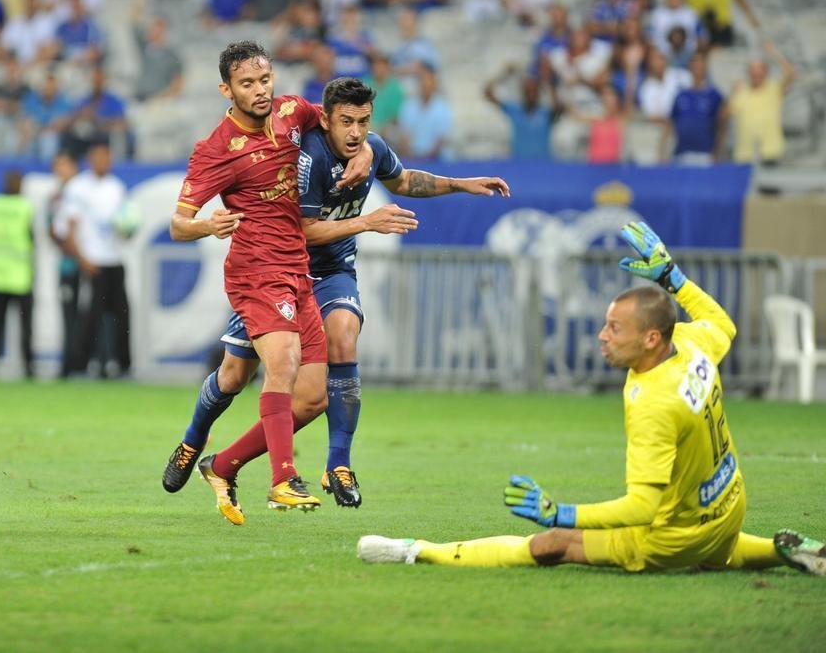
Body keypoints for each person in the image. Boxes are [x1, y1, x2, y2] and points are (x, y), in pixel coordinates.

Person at [358, 221, 826, 578]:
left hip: (675, 539)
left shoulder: (652, 401)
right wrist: (672, 277)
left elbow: (642, 509)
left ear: (649, 340)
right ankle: (779, 548)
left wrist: (558, 513)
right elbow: (724, 324)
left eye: (615, 329)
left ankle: (415, 549)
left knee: (552, 544)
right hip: (729, 510)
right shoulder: (691, 343)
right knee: (709, 542)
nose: (601, 337)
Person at [162, 77, 509, 508]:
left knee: (332, 354)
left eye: (364, 122)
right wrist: (366, 221)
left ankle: (337, 465)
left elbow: (402, 181)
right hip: (278, 270)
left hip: (331, 272)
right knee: (234, 376)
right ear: (327, 119)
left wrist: (460, 183)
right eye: (347, 122)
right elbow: (306, 228)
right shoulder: (304, 154)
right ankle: (196, 443)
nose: (356, 131)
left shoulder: (369, 145)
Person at [166, 41, 374, 524]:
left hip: (297, 269)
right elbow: (179, 225)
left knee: (312, 396)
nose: (259, 92)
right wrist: (206, 226)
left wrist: (364, 147)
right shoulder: (215, 149)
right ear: (226, 89)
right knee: (280, 364)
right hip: (256, 271)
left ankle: (221, 465)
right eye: (246, 84)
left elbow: (344, 121)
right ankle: (281, 479)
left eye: (264, 80)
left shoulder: (289, 111)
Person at [56, 138, 132, 379]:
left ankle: (121, 365)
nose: (104, 162)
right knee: (90, 316)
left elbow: (124, 222)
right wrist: (82, 259)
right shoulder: (78, 187)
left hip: (114, 259)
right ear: (90, 161)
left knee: (122, 315)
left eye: (107, 158)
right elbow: (70, 228)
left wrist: (127, 230)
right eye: (99, 158)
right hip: (92, 261)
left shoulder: (116, 187)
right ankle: (82, 364)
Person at [0, 169, 35, 379]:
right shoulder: (24, 206)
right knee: (25, 325)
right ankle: (28, 366)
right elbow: (30, 236)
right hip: (20, 275)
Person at [728, 40, 796, 165]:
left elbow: (791, 74)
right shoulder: (741, 91)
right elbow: (725, 114)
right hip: (745, 155)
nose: (756, 74)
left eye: (760, 71)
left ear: (766, 72)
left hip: (770, 154)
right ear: (749, 73)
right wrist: (732, 93)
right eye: (753, 71)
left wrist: (774, 54)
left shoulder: (773, 89)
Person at [47, 152, 80, 378]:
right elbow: (50, 228)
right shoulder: (56, 197)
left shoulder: (83, 192)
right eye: (57, 166)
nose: (60, 170)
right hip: (69, 266)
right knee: (69, 315)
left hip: (90, 264)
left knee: (87, 315)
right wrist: (68, 247)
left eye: (64, 165)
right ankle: (69, 365)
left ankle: (84, 362)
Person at [483, 64, 560, 160]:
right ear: (522, 92)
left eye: (533, 91)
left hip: (543, 162)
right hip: (519, 162)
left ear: (538, 93)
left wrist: (549, 80)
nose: (530, 95)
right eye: (527, 91)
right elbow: (487, 93)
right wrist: (503, 75)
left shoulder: (546, 113)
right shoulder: (514, 109)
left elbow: (558, 106)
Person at [662, 52, 727, 165]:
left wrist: (718, 152)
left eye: (700, 64)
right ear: (690, 67)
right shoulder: (681, 95)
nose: (698, 67)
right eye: (695, 64)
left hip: (705, 154)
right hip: (681, 153)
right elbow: (671, 124)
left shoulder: (714, 95)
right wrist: (662, 150)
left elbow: (721, 126)